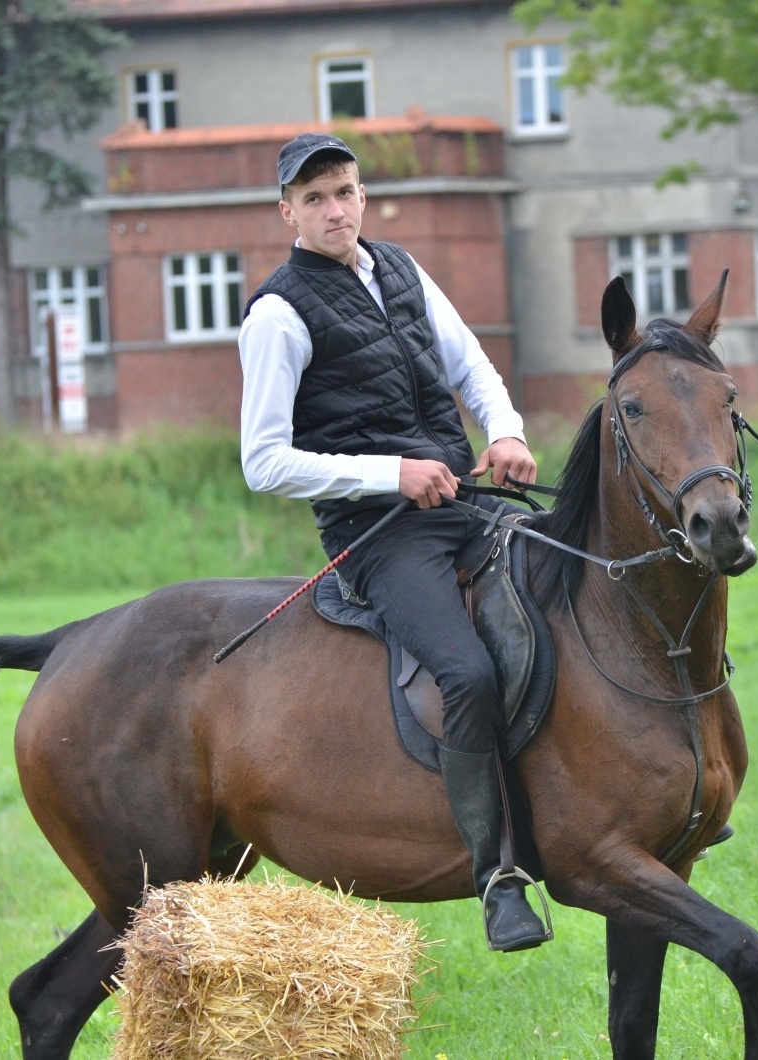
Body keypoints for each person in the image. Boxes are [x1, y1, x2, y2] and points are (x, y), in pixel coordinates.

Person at [238, 132, 550, 952]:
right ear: (287, 213)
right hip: (378, 534)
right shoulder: (277, 313)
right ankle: (498, 876)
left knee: (579, 589)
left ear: (362, 193)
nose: (334, 209)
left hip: (465, 497)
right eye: (314, 199)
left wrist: (507, 431)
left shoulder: (402, 269)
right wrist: (392, 474)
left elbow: (472, 364)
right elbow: (262, 462)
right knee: (468, 671)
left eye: (344, 190)